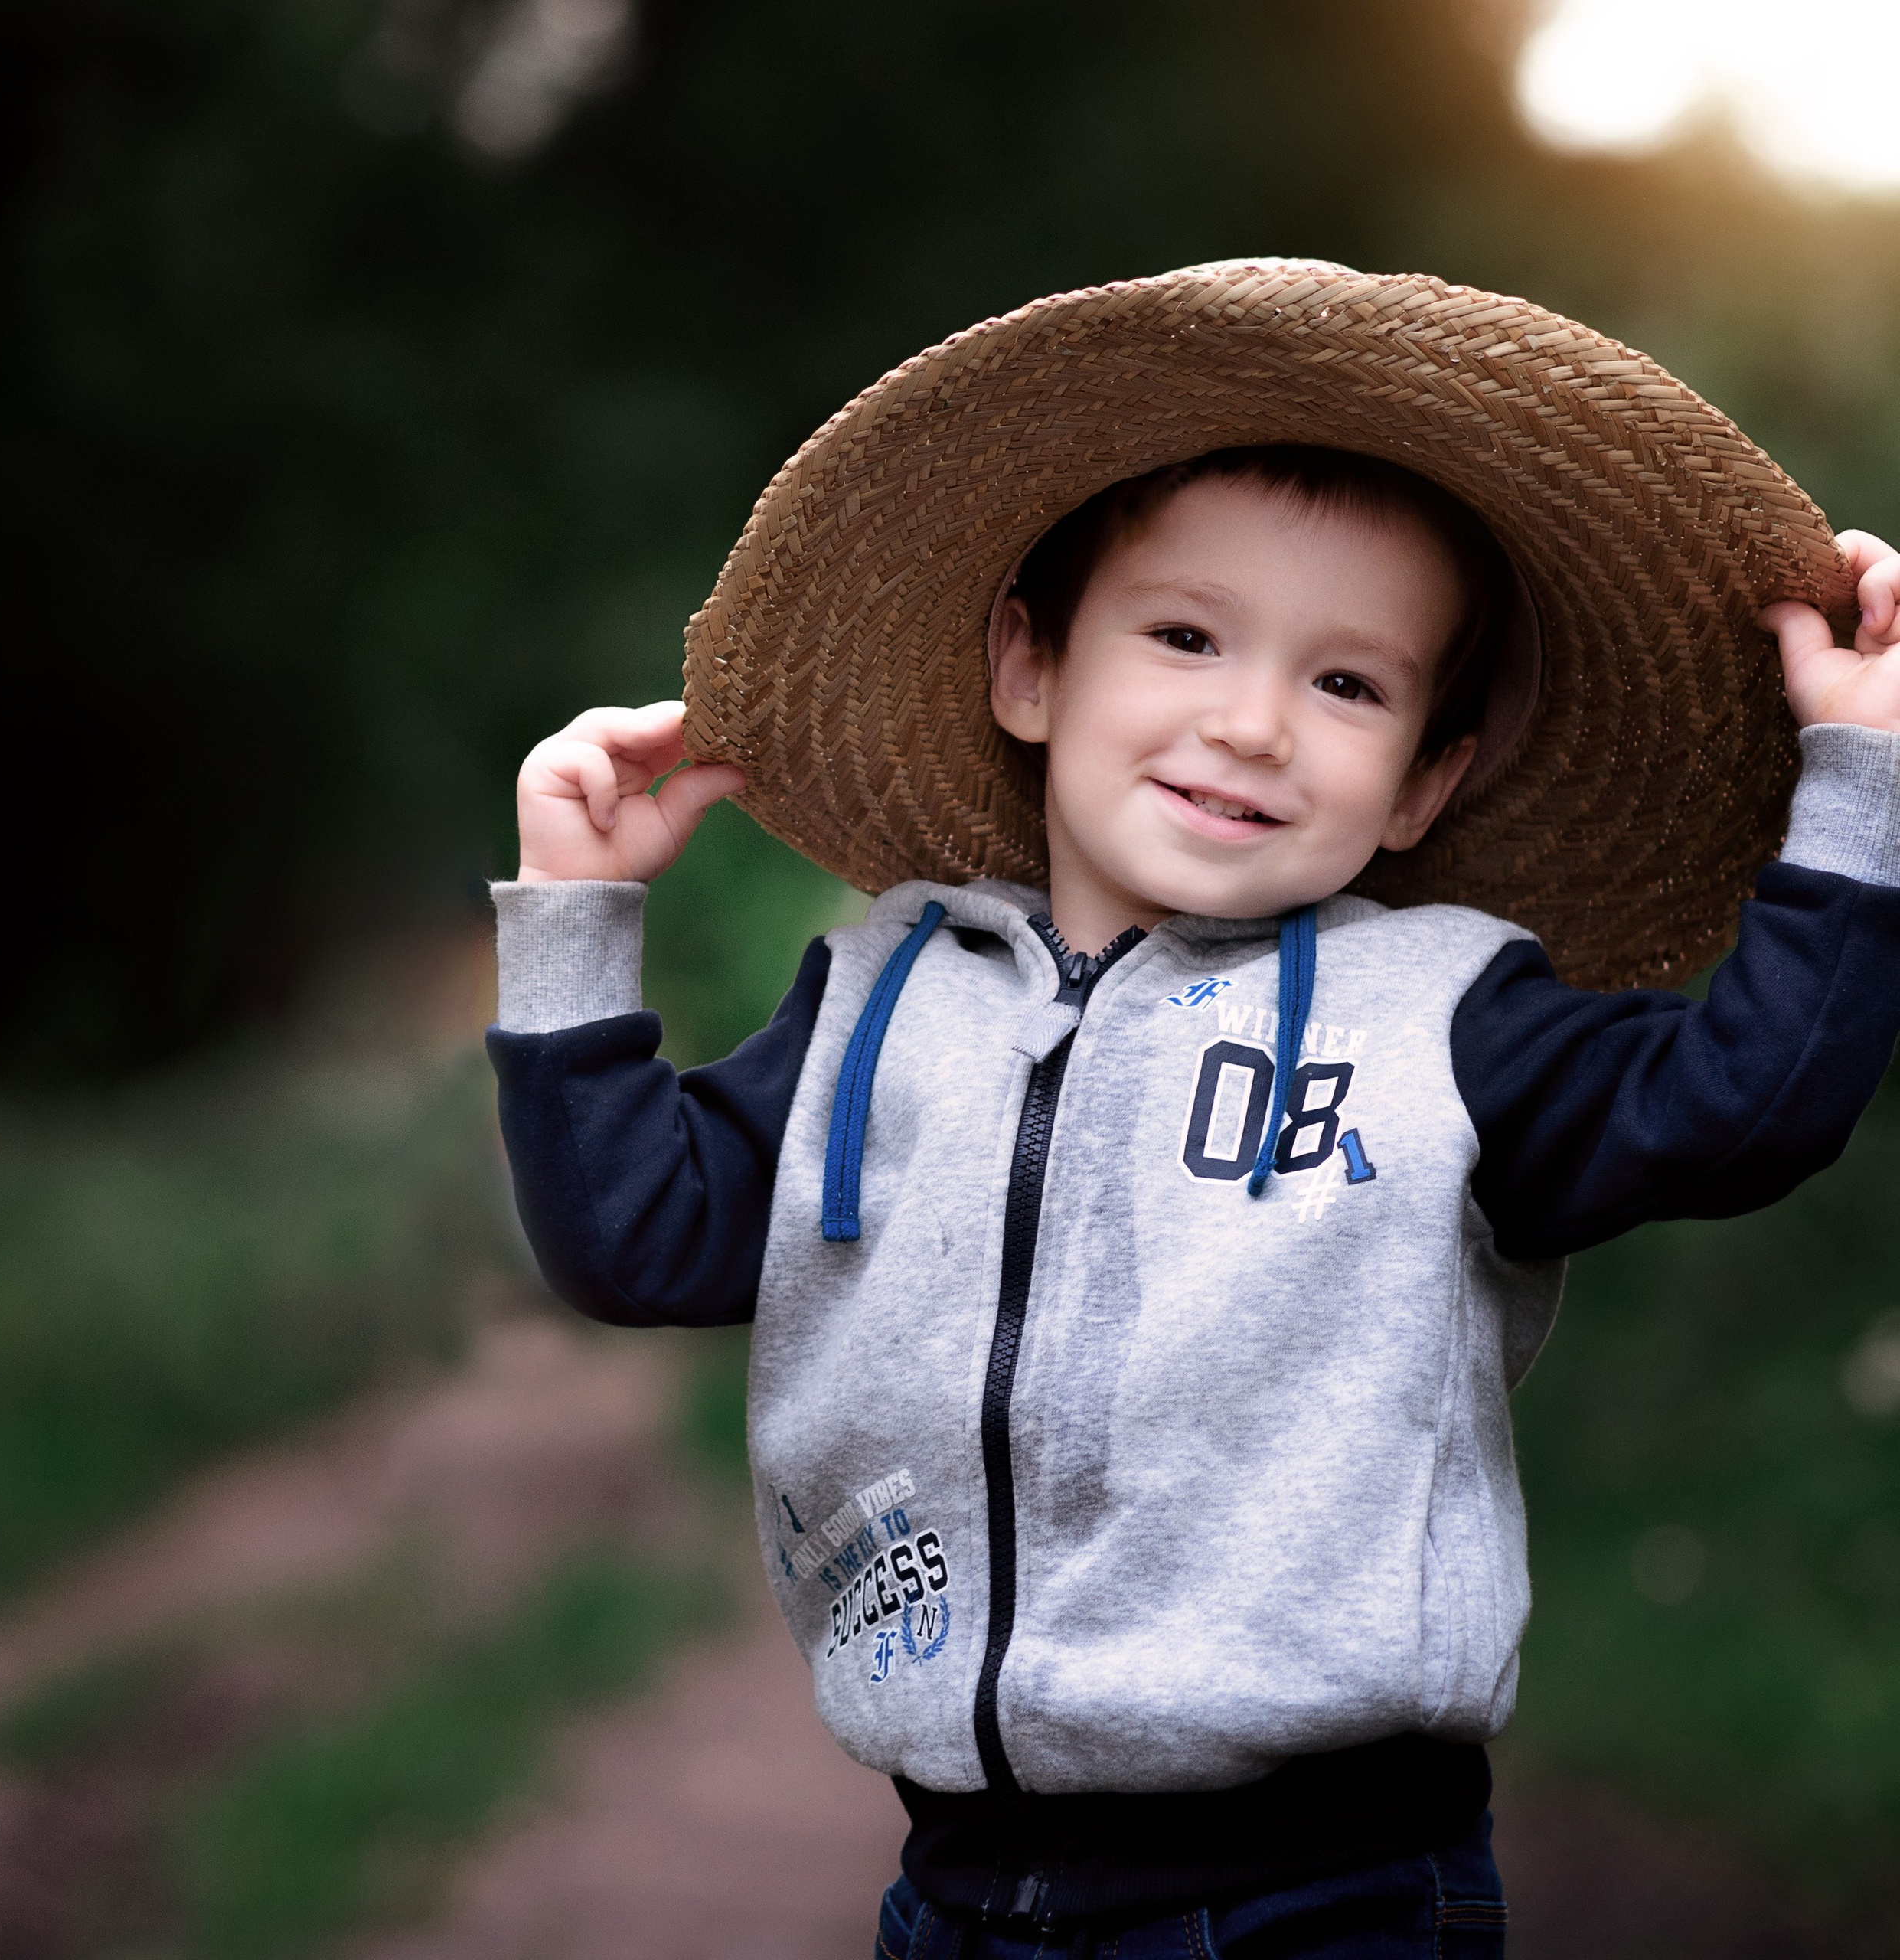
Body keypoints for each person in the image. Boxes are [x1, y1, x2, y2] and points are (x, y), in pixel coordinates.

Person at [487, 263, 1900, 1957]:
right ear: (1031, 669)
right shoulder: (880, 1006)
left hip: (1328, 1888)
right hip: (960, 1889)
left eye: (1348, 685)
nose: (1250, 723)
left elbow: (1743, 1106)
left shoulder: (1444, 1021)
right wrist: (574, 923)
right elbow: (633, 1239)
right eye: (1184, 636)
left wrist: (1862, 784)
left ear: (1423, 781)